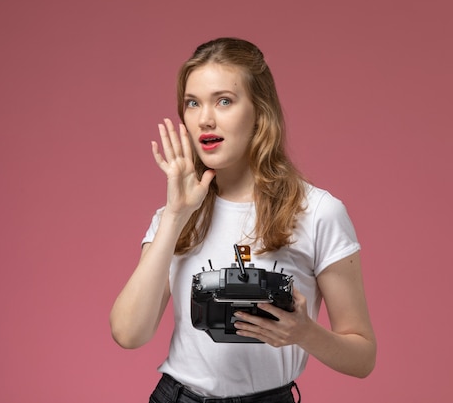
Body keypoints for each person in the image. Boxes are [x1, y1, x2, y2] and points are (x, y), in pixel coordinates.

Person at [110, 37, 376, 403]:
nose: (205, 118)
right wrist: (175, 216)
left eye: (224, 101)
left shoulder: (318, 212)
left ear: (260, 112)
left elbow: (362, 357)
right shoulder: (175, 213)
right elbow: (128, 333)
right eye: (192, 103)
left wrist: (305, 333)